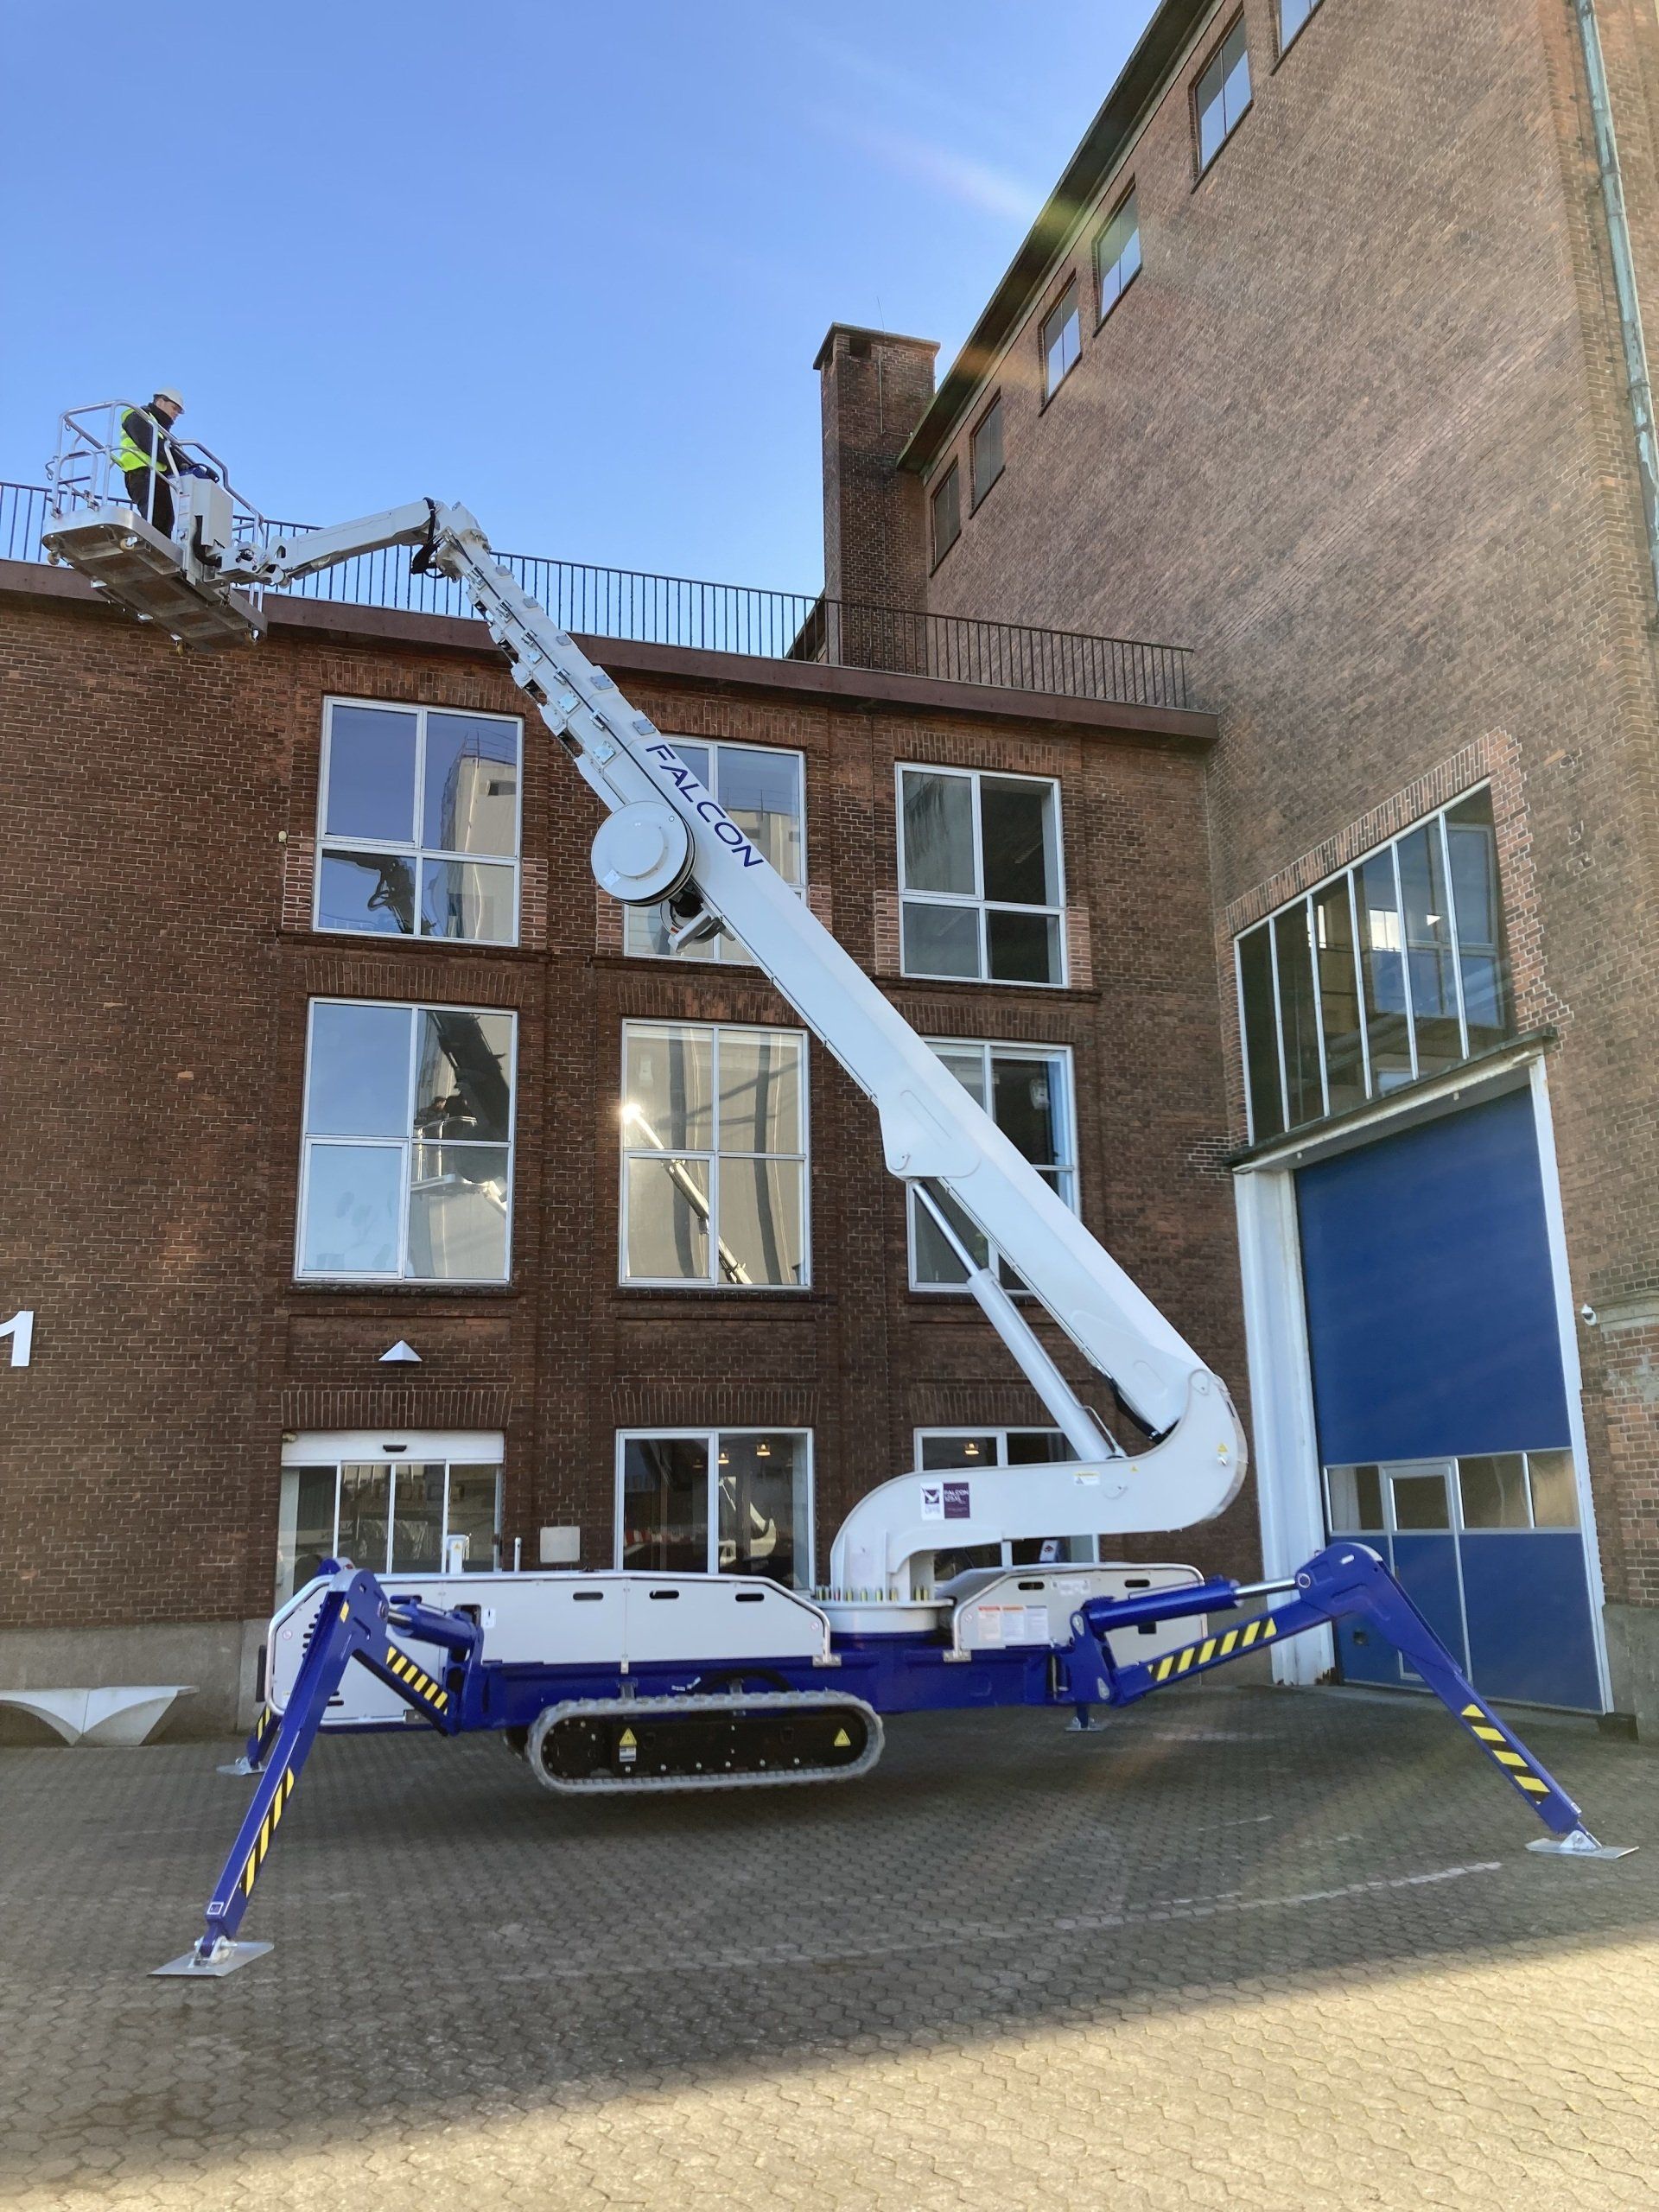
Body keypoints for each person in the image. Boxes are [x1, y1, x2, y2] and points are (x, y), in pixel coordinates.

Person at [115, 389, 188, 537]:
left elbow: (171, 453)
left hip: (160, 479)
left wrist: (191, 466)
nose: (176, 414)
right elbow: (151, 444)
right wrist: (183, 464)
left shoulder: (164, 432)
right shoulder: (137, 416)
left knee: (165, 522)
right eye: (174, 408)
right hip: (141, 474)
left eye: (178, 412)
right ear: (160, 401)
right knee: (155, 520)